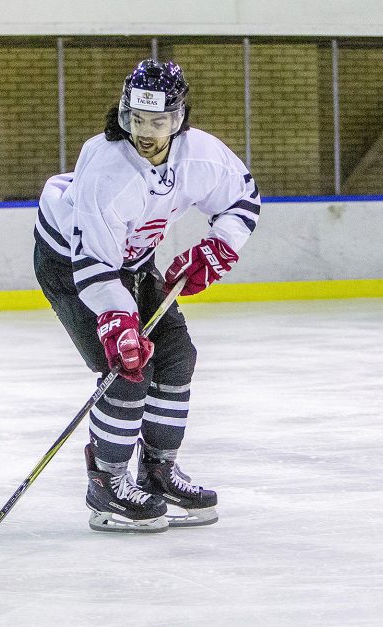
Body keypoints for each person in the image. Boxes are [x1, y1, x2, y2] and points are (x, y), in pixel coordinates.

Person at [33, 59, 260, 533]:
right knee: (127, 369)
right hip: (71, 265)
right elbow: (94, 265)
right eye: (136, 119)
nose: (145, 132)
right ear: (123, 114)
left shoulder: (201, 156)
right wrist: (117, 322)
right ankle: (107, 483)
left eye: (158, 121)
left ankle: (158, 472)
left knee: (176, 356)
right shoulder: (107, 172)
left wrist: (219, 247)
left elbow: (242, 199)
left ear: (179, 119)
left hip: (135, 262)